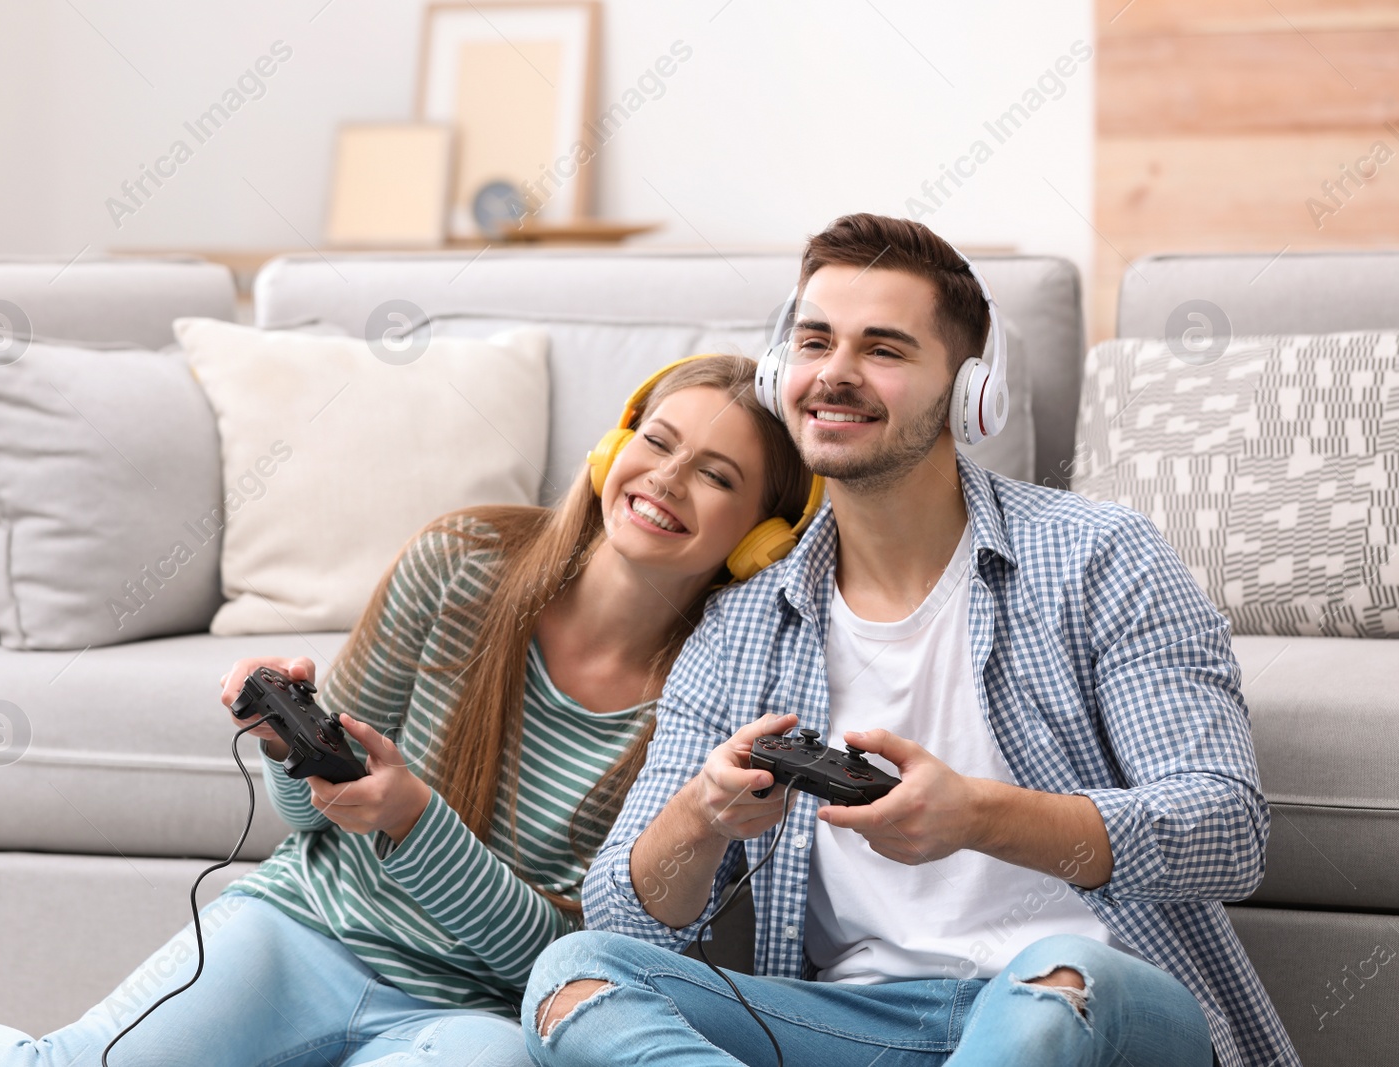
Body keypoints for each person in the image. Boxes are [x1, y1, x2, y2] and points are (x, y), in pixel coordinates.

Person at [0, 354, 818, 1067]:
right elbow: (310, 831)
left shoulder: (711, 702)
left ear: (762, 539)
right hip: (305, 931)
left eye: (717, 475)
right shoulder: (461, 559)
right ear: (611, 447)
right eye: (657, 440)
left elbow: (569, 964)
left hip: (486, 1014)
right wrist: (296, 755)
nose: (666, 480)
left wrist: (413, 822)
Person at [524, 215, 1299, 1067]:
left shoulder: (1098, 555)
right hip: (861, 1024)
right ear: (785, 368)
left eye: (884, 350)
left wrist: (977, 815)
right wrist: (702, 816)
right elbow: (625, 916)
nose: (837, 374)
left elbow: (1227, 830)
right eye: (816, 340)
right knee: (576, 973)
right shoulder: (742, 625)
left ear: (970, 394)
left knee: (1055, 981)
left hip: (1088, 996)